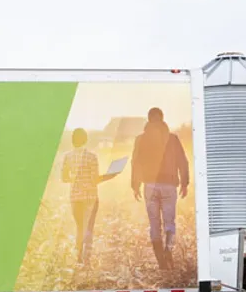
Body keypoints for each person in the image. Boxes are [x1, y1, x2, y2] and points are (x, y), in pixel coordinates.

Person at [130, 108, 189, 270]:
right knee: (170, 222)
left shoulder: (140, 139)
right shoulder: (173, 138)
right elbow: (182, 161)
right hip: (169, 185)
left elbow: (135, 163)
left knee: (154, 224)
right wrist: (184, 183)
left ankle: (161, 263)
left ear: (148, 120)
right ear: (162, 119)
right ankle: (168, 250)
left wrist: (135, 185)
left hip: (150, 185)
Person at [60, 128, 117, 266]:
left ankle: (78, 257)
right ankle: (87, 260)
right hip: (90, 197)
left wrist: (75, 178)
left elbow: (64, 178)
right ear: (85, 140)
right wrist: (110, 175)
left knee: (80, 227)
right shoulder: (92, 156)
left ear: (73, 140)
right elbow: (95, 180)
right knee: (89, 227)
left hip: (75, 197)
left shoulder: (67, 157)